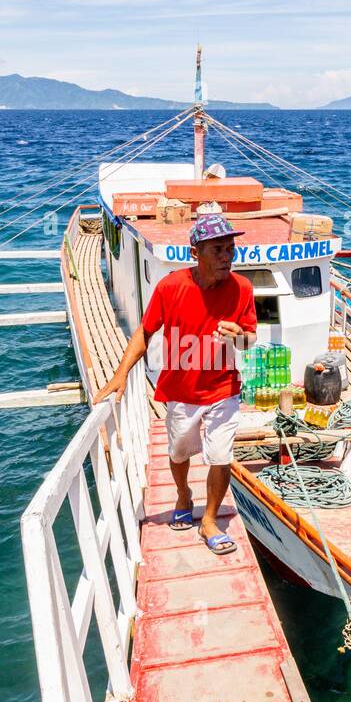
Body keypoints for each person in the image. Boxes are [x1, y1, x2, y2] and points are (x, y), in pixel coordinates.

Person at [93, 213, 257, 554]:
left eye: (231, 249)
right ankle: (183, 494)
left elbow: (248, 340)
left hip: (224, 387)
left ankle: (209, 520)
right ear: (195, 253)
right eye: (218, 250)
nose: (227, 256)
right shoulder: (170, 287)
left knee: (221, 456)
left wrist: (239, 335)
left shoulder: (242, 289)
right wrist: (120, 374)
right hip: (181, 391)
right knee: (179, 452)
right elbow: (145, 331)